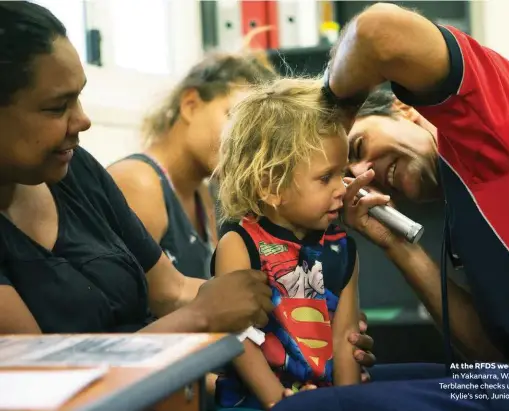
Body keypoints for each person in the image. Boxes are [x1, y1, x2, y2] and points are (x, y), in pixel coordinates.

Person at [273, 2, 509, 411]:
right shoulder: (465, 211)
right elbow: (497, 361)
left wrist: (326, 122)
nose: (364, 172)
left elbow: (377, 32)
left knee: (303, 410)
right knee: (332, 387)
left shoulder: (493, 119)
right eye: (345, 173)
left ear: (403, 109)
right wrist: (398, 246)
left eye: (357, 147)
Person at [0, 1, 273, 336]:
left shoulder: (76, 169)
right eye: (58, 107)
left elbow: (169, 291)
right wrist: (200, 315)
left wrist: (285, 297)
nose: (83, 120)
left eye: (79, 98)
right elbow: (43, 375)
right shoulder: (140, 181)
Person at [212, 78, 361, 409]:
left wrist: (348, 401)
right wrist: (278, 401)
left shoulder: (341, 247)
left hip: (323, 398)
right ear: (270, 186)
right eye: (326, 178)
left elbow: (345, 336)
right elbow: (237, 334)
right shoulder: (240, 243)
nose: (342, 188)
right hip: (257, 399)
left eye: (343, 172)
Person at [107, 53, 277, 280]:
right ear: (190, 105)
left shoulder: (204, 192)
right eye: (235, 118)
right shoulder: (139, 183)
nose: (246, 141)